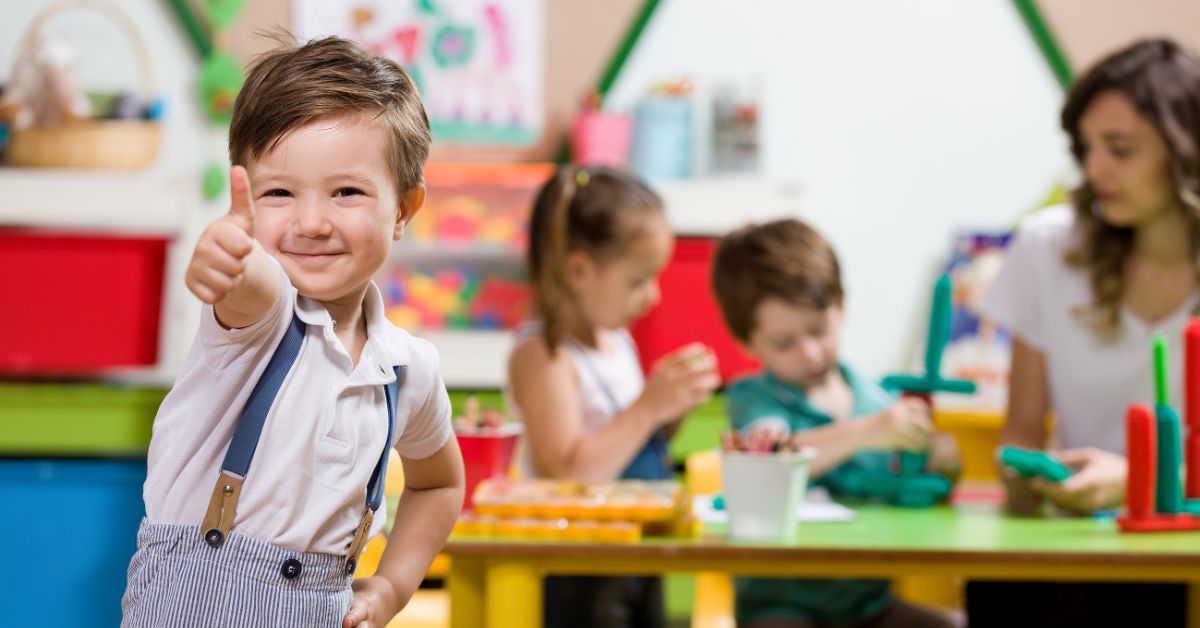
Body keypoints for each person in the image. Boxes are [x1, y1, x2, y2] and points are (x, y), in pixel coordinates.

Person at [120, 36, 464, 628]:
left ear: (404, 209)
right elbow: (249, 283)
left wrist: (392, 587)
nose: (310, 223)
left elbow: (439, 485)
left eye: (347, 192)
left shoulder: (409, 369)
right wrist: (226, 256)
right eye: (278, 193)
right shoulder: (260, 320)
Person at [967, 38, 1200, 626]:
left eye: (1119, 149)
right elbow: (1018, 435)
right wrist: (1024, 476)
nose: (1095, 169)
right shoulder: (1048, 248)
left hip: (1185, 553)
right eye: (1086, 147)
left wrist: (1137, 483)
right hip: (1084, 550)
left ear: (1186, 151)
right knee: (1002, 591)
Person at [711, 218, 957, 628]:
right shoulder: (754, 398)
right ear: (745, 342)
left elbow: (925, 489)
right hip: (781, 608)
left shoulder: (877, 400)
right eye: (784, 342)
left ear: (841, 308)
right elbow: (766, 457)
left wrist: (942, 459)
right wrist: (864, 433)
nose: (809, 352)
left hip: (869, 605)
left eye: (818, 330)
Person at [505, 165, 720, 627]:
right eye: (639, 279)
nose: (654, 296)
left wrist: (670, 411)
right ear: (579, 270)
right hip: (579, 566)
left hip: (636, 546)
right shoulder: (544, 354)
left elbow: (629, 443)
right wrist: (648, 408)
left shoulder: (616, 341)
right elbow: (570, 472)